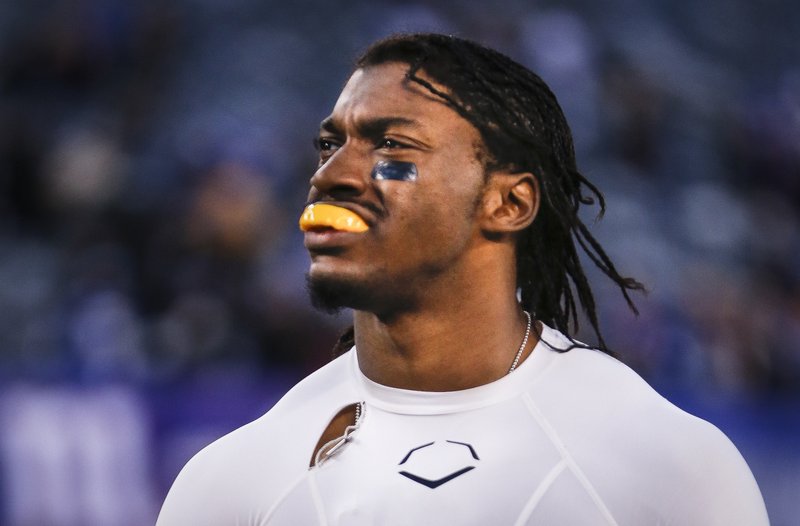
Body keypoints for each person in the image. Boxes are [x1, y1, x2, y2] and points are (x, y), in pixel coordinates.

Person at [157, 33, 768, 525]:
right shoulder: (233, 481)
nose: (330, 175)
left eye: (392, 147)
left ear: (508, 204)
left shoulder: (671, 468)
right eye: (328, 145)